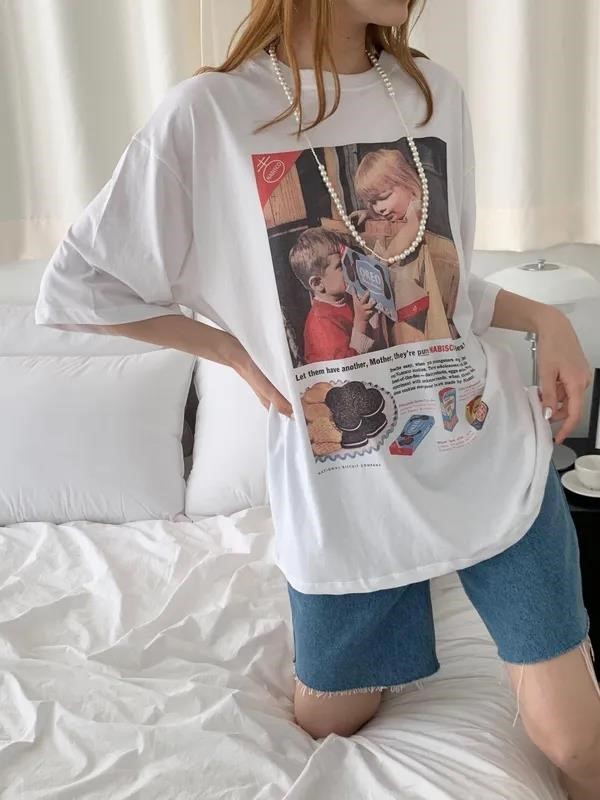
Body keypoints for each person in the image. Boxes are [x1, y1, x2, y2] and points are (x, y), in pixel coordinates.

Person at [33, 1, 600, 796]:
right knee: (330, 721)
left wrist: (546, 318)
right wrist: (232, 350)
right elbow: (79, 285)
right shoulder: (213, 112)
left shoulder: (432, 94)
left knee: (572, 738)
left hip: (485, 448)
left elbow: (445, 291)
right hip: (349, 487)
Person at [354, 146, 461, 343]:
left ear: (407, 182)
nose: (380, 208)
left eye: (384, 197)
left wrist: (383, 261)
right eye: (373, 202)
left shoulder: (417, 206)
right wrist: (368, 214)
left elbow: (412, 227)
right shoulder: (391, 212)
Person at [288, 227, 387, 363]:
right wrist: (361, 321)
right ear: (317, 283)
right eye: (341, 266)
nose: (350, 267)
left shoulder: (345, 295)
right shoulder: (320, 324)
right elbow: (348, 367)